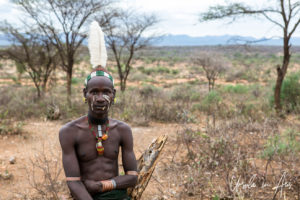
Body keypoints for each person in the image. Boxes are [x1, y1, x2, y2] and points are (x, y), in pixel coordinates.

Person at [59, 66, 138, 200]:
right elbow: (73, 182)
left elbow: (132, 177)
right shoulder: (70, 131)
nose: (100, 98)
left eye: (106, 92)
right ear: (85, 94)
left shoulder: (122, 130)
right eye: (94, 92)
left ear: (114, 95)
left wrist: (101, 186)